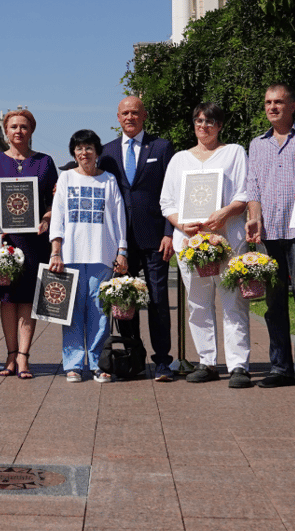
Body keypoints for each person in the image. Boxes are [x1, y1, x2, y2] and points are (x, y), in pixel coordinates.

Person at [162, 103, 253, 387]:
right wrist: (180, 224)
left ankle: (238, 366)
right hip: (191, 243)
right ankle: (207, 361)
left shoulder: (234, 152)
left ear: (220, 125)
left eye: (210, 121)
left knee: (233, 302)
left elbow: (245, 193)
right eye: (199, 121)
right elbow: (167, 202)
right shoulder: (179, 159)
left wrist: (225, 212)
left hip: (227, 240)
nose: (204, 126)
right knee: (198, 304)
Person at [244, 84, 295, 392]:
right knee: (274, 303)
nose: (272, 107)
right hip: (269, 234)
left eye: (279, 102)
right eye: (268, 102)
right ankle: (280, 367)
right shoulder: (257, 144)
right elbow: (253, 187)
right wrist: (254, 218)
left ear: (292, 106)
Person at [99, 96, 176, 381]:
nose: (129, 117)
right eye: (125, 113)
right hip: (121, 241)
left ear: (144, 116)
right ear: (118, 117)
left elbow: (172, 191)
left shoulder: (161, 147)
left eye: (135, 112)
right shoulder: (107, 152)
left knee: (158, 300)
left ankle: (163, 361)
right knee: (124, 301)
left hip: (156, 238)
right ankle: (133, 360)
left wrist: (169, 232)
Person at [0, 109, 56, 379]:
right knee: (7, 298)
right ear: (6, 131)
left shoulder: (45, 162)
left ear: (31, 130)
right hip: (4, 240)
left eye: (24, 126)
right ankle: (10, 355)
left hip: (34, 240)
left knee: (28, 297)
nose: (18, 131)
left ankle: (23, 356)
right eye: (13, 127)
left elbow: (54, 200)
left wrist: (46, 218)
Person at [48, 129, 127, 382]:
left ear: (97, 152)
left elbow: (119, 218)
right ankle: (73, 364)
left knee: (100, 312)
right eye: (79, 149)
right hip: (70, 255)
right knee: (71, 312)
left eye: (89, 148)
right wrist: (56, 252)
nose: (84, 153)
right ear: (74, 153)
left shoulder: (109, 180)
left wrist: (122, 251)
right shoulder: (66, 178)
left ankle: (97, 363)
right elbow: (58, 217)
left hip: (102, 255)